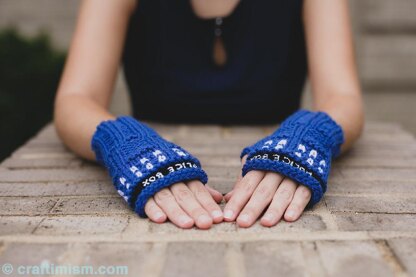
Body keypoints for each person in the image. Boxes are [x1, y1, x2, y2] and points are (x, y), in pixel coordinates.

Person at [54, 0, 364, 230]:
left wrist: (309, 135)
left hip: (277, 157)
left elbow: (343, 97)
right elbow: (75, 98)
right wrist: (125, 143)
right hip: (158, 161)